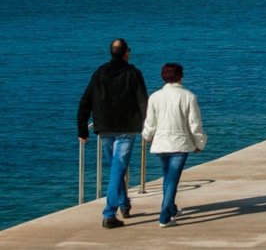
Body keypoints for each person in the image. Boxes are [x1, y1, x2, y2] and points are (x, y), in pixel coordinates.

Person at [77, 38, 148, 229]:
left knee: (117, 167)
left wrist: (82, 129)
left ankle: (124, 204)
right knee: (118, 167)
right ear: (125, 53)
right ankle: (109, 213)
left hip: (105, 127)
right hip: (126, 128)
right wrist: (148, 126)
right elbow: (143, 101)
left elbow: (85, 101)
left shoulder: (99, 73)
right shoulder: (133, 73)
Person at [141, 63, 207, 228]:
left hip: (161, 144)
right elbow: (195, 124)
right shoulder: (188, 96)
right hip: (179, 144)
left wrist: (147, 137)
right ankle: (164, 217)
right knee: (172, 180)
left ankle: (172, 209)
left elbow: (150, 122)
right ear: (180, 76)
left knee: (168, 178)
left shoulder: (155, 97)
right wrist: (199, 143)